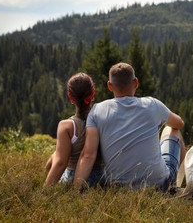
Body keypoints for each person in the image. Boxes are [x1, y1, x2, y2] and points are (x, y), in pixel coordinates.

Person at [74, 62, 186, 191]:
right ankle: (178, 184)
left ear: (110, 86)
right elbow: (179, 123)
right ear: (136, 83)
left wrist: (76, 191)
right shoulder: (153, 104)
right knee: (172, 129)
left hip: (117, 187)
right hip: (159, 185)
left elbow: (88, 155)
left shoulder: (96, 110)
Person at [44, 72, 102, 187]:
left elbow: (61, 163)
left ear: (70, 97)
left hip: (74, 178)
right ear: (93, 93)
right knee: (55, 154)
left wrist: (44, 191)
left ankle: (45, 176)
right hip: (100, 177)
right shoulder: (102, 119)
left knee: (56, 155)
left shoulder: (67, 126)